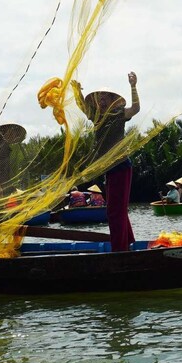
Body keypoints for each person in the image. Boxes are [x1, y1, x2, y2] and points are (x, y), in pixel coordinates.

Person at [74, 72, 140, 252]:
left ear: (112, 100)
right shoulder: (96, 116)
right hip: (109, 169)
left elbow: (135, 108)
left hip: (121, 167)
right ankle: (127, 244)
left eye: (105, 98)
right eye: (100, 99)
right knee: (116, 209)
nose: (102, 101)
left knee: (114, 212)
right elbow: (82, 107)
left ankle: (120, 251)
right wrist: (77, 92)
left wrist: (133, 86)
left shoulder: (118, 114)